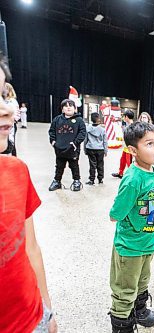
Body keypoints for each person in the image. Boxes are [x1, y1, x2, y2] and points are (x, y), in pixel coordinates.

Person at [0, 53, 58, 333]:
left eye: (3, 94)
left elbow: (31, 248)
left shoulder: (16, 170)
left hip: (31, 317)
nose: (7, 109)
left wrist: (46, 312)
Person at [108, 121, 154, 332]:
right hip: (130, 246)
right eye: (149, 144)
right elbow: (116, 214)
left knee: (142, 279)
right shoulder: (132, 179)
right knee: (125, 286)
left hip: (148, 241)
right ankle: (122, 323)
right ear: (133, 150)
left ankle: (139, 308)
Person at [48, 99, 86, 191]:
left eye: (70, 105)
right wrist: (53, 142)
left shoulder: (79, 120)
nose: (68, 107)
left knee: (74, 166)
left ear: (75, 108)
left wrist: (75, 142)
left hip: (73, 149)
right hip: (59, 149)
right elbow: (52, 131)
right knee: (59, 166)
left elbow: (82, 133)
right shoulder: (57, 119)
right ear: (62, 109)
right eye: (65, 106)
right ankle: (57, 181)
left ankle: (76, 181)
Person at [84, 112, 108, 185]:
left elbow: (85, 140)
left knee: (92, 165)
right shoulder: (102, 130)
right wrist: (106, 150)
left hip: (90, 148)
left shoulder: (87, 129)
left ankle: (91, 180)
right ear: (98, 119)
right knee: (100, 164)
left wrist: (85, 149)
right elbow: (105, 141)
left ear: (91, 119)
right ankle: (100, 179)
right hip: (100, 149)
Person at [112, 109, 134, 179]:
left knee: (129, 163)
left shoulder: (132, 126)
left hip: (129, 148)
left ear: (126, 117)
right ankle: (120, 173)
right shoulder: (128, 125)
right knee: (122, 161)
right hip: (126, 147)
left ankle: (132, 176)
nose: (123, 118)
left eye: (124, 116)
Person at [3, 82, 20, 156]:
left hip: (10, 125)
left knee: (10, 144)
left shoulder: (12, 101)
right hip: (3, 124)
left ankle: (13, 160)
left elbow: (16, 114)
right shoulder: (2, 100)